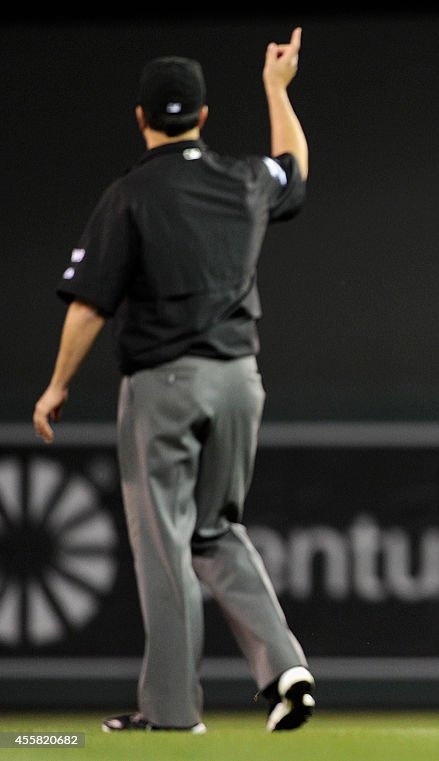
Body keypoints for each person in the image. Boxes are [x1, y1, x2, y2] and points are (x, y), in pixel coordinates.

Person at [32, 28, 314, 733]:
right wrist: (278, 91)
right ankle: (285, 665)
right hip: (241, 381)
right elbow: (294, 170)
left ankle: (170, 711)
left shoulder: (129, 194)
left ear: (141, 117)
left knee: (165, 544)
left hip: (166, 383)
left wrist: (56, 385)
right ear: (204, 115)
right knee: (217, 530)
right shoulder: (245, 177)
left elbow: (92, 305)